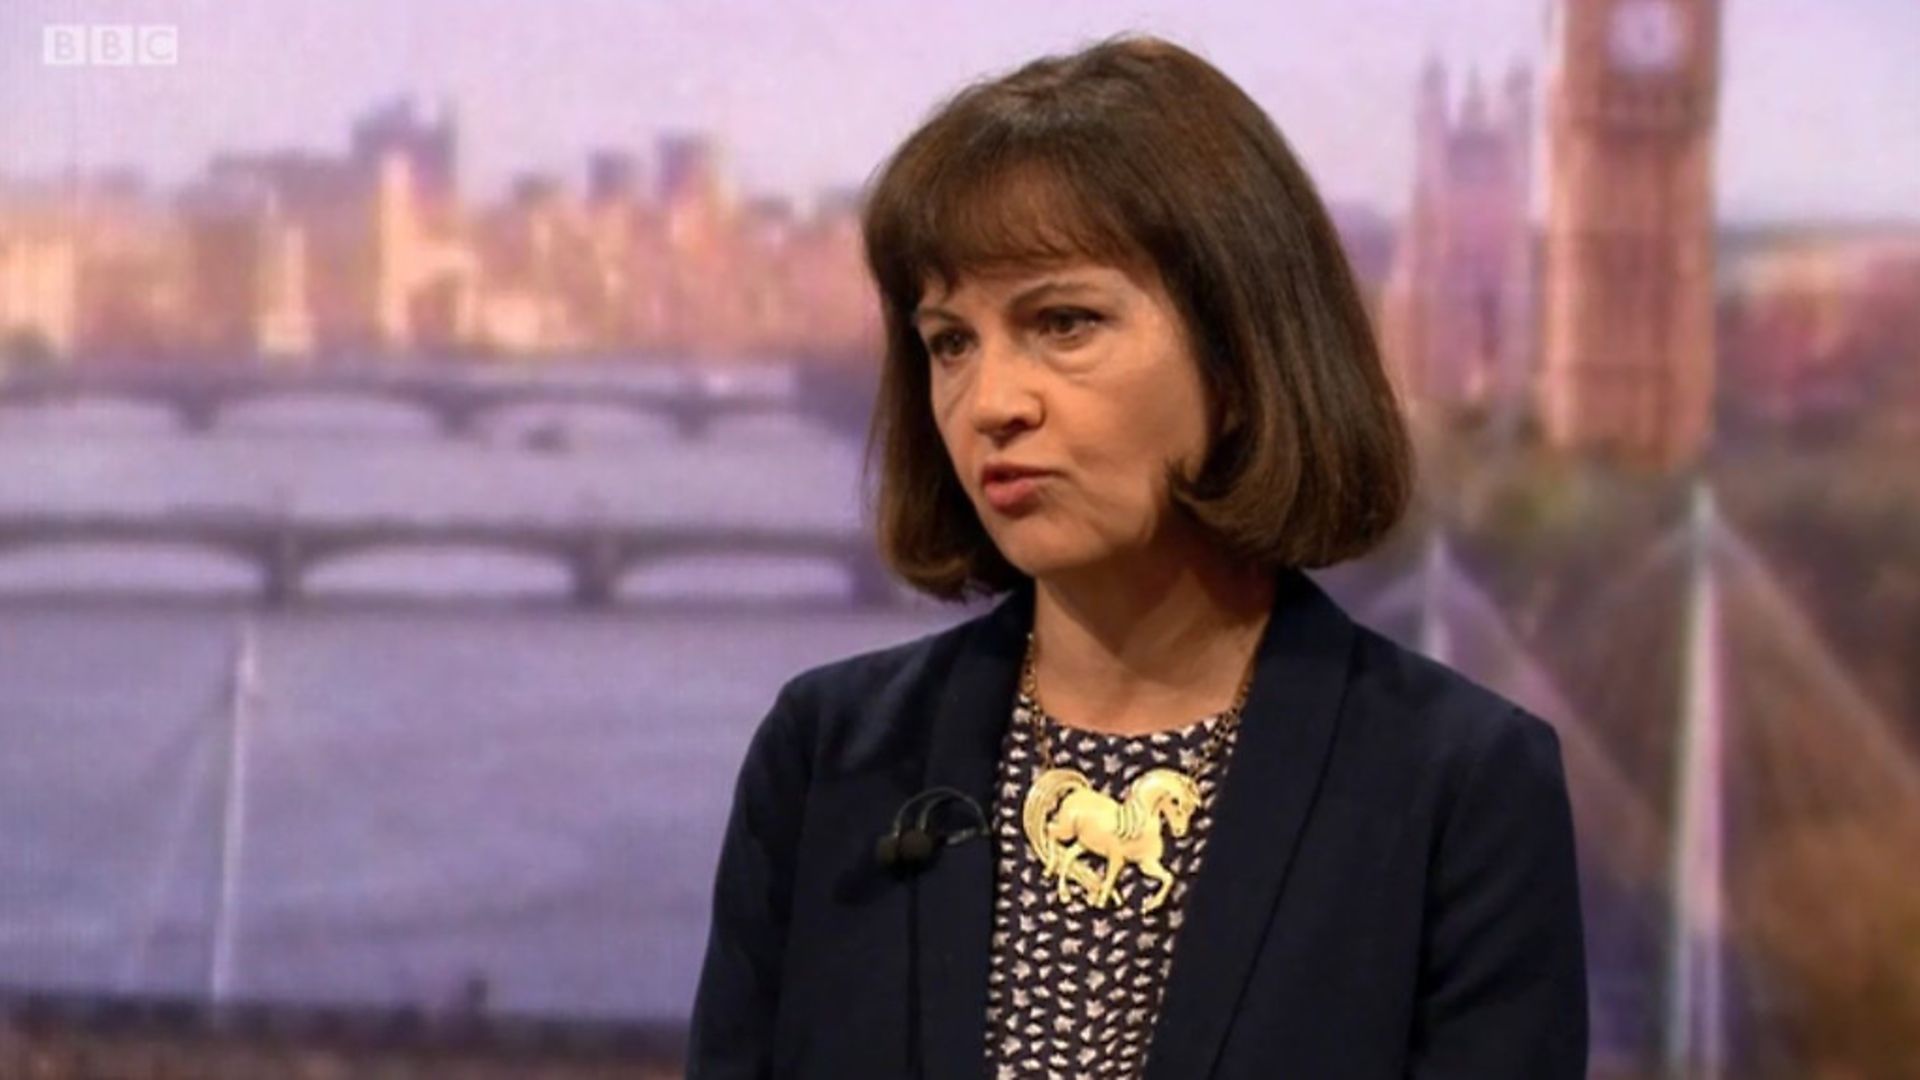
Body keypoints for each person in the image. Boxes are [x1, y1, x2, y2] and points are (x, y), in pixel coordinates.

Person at [688, 32, 1587, 1080]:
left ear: (1240, 355)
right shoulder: (829, 758)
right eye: (950, 342)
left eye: (1063, 322)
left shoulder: (1461, 790)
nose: (991, 403)